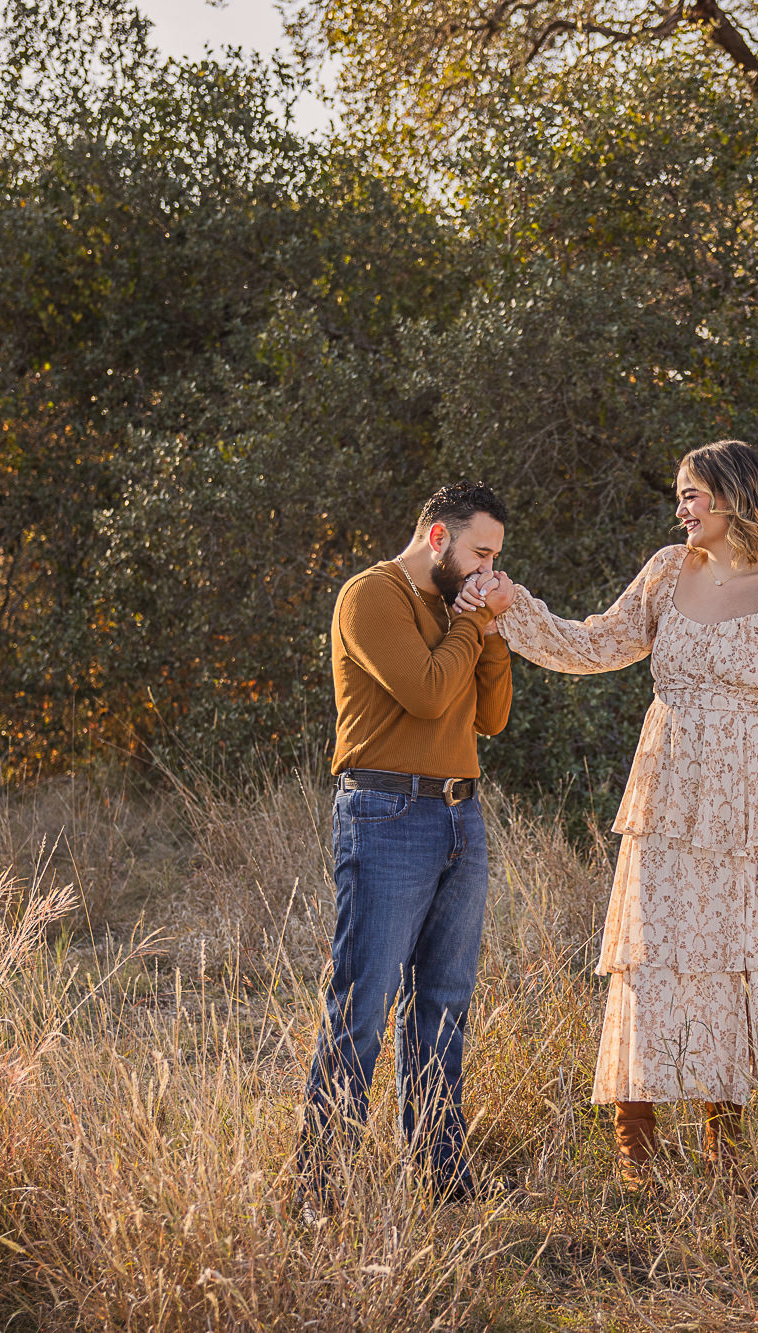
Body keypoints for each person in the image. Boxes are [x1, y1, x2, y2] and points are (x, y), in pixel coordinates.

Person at [458, 440, 758, 1187]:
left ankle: (728, 1154)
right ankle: (639, 1155)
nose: (681, 507)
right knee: (652, 956)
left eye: (692, 494)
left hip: (749, 805)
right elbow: (594, 643)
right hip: (664, 792)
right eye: (680, 495)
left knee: (731, 960)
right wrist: (512, 606)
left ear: (733, 496)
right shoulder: (668, 571)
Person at [294, 481, 517, 1210]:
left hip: (461, 815)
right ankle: (318, 1188)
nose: (487, 569)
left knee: (445, 1003)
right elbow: (424, 693)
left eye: (496, 558)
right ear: (436, 539)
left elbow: (491, 715)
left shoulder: (460, 612)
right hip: (387, 812)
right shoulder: (372, 595)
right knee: (363, 1006)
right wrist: (470, 626)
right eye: (480, 552)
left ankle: (442, 1177)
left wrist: (487, 634)